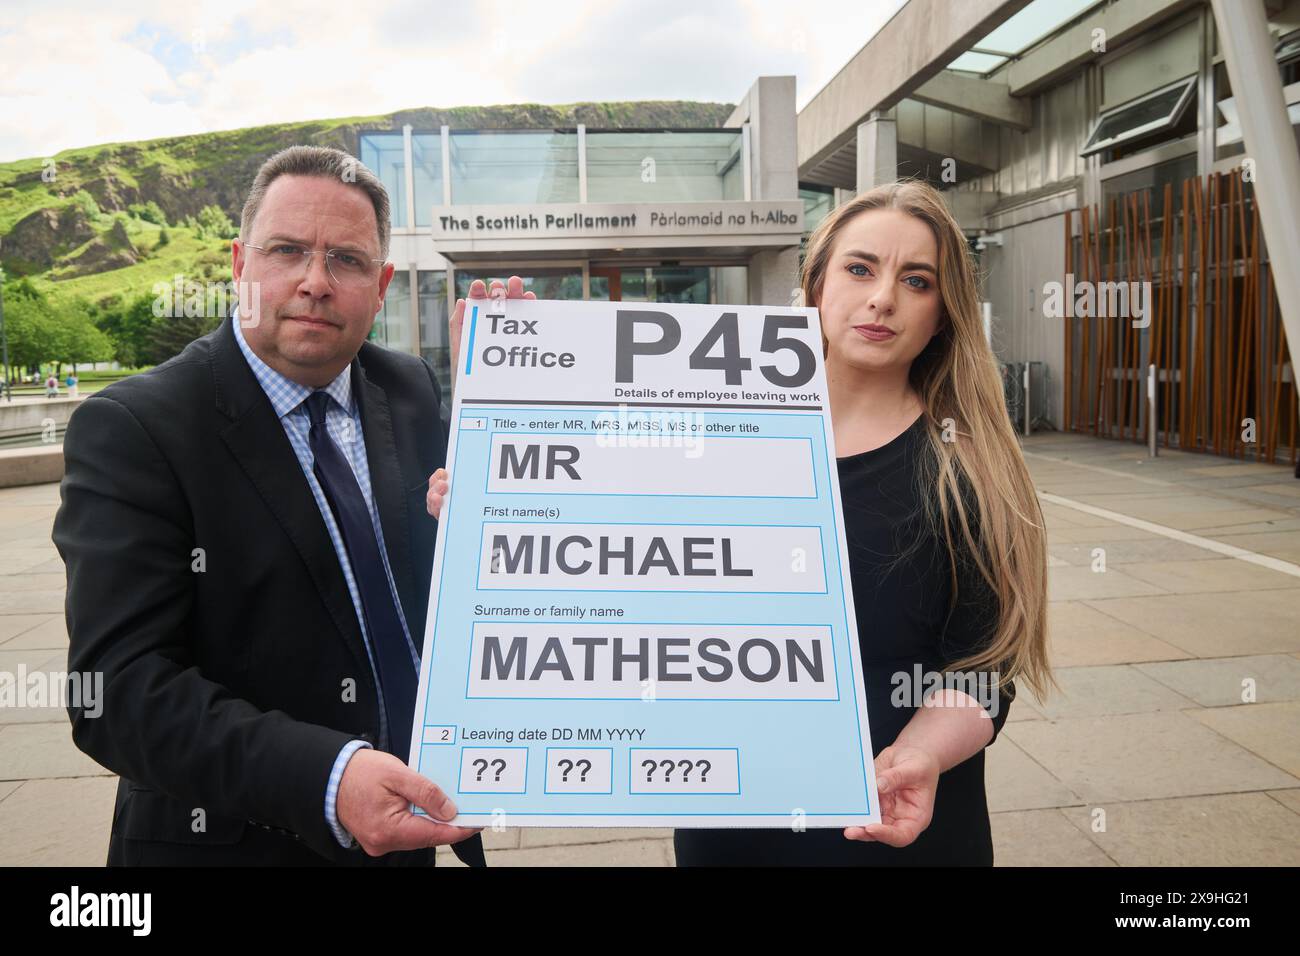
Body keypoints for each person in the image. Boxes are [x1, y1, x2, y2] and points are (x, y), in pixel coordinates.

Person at [430, 181, 1052, 866]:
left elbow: (982, 675)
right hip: (729, 827)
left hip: (898, 828)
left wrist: (919, 755)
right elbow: (606, 577)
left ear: (943, 313)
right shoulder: (714, 431)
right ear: (815, 287)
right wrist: (494, 479)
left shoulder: (968, 469)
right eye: (859, 268)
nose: (882, 298)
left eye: (917, 280)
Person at [52, 145, 532, 866]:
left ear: (382, 284)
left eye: (346, 260)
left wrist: (506, 406)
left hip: (413, 824)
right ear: (241, 266)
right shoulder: (135, 428)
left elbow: (442, 590)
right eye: (287, 251)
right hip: (238, 844)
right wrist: (330, 779)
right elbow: (116, 693)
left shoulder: (408, 390)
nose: (315, 282)